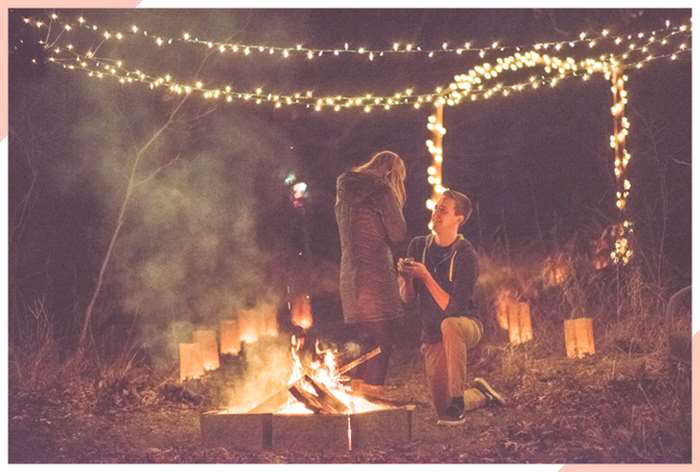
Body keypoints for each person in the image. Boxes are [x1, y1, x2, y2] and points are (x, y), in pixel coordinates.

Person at [398, 189, 505, 425]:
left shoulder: (466, 254)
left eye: (443, 210)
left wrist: (426, 277)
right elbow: (407, 299)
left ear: (458, 218)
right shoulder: (418, 246)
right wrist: (405, 278)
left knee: (450, 324)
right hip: (433, 334)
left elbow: (453, 308)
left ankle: (458, 399)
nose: (436, 213)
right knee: (442, 411)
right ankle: (479, 395)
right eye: (436, 208)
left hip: (466, 325)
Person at [335, 150, 407, 388]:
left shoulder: (344, 188)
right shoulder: (382, 191)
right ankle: (369, 407)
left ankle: (356, 404)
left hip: (350, 275)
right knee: (381, 345)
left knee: (365, 344)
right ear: (390, 172)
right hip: (375, 275)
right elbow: (398, 233)